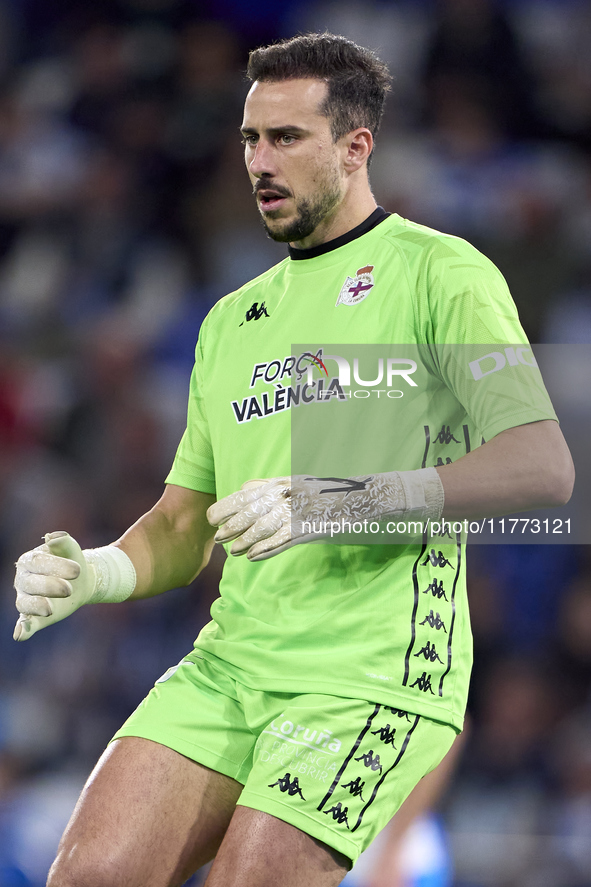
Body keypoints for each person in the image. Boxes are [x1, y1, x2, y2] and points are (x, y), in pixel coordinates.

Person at [13, 33, 573, 887]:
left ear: (356, 147)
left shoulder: (439, 273)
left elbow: (541, 466)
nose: (259, 162)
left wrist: (330, 499)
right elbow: (181, 522)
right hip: (231, 665)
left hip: (370, 674)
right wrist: (97, 572)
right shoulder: (232, 320)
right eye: (249, 138)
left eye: (286, 138)